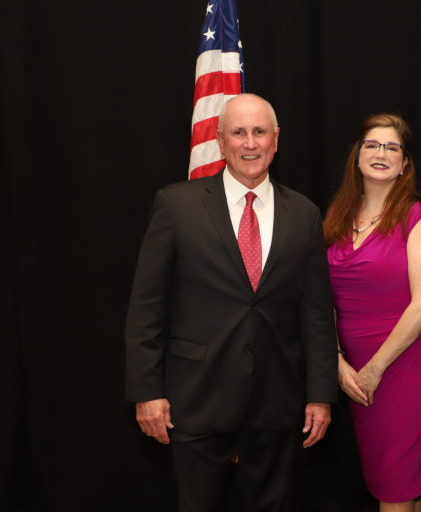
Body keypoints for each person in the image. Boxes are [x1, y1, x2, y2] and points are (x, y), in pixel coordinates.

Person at [125, 93, 338, 512]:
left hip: (277, 402)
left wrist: (320, 394)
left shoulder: (305, 214)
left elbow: (316, 315)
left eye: (259, 132)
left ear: (276, 140)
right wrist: (146, 390)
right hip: (195, 400)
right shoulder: (176, 205)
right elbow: (146, 308)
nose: (250, 143)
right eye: (239, 133)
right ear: (221, 141)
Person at [323, 114, 421, 512]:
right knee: (401, 483)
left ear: (404, 163)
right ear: (357, 156)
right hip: (353, 370)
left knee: (395, 484)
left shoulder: (419, 217)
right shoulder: (338, 217)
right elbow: (322, 298)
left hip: (403, 364)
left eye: (392, 147)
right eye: (372, 145)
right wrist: (337, 362)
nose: (381, 153)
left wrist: (374, 368)